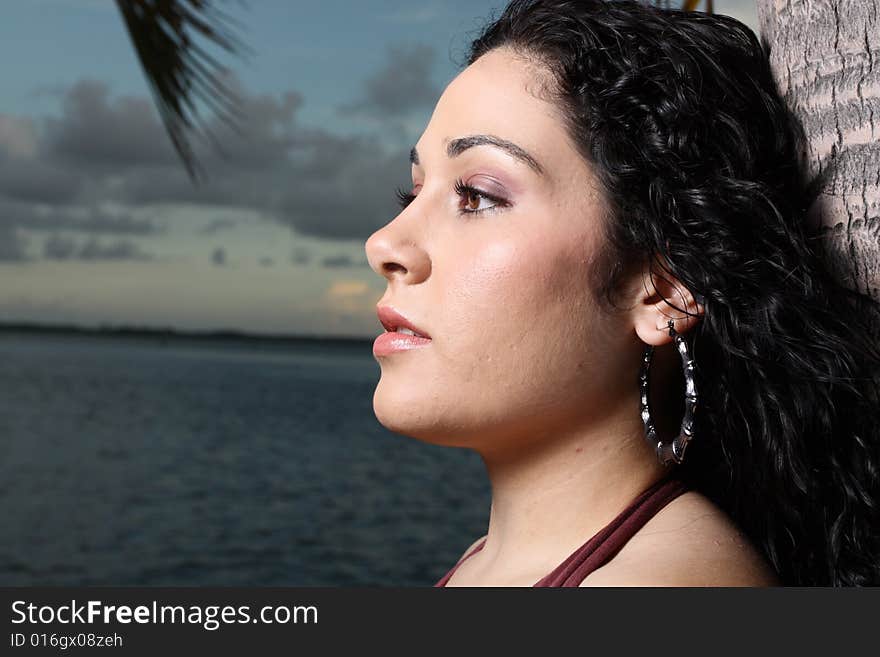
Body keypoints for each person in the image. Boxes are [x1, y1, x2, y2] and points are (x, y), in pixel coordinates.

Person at [364, 0, 880, 586]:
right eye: (415, 193)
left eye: (478, 195)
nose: (385, 243)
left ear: (661, 291)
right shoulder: (492, 562)